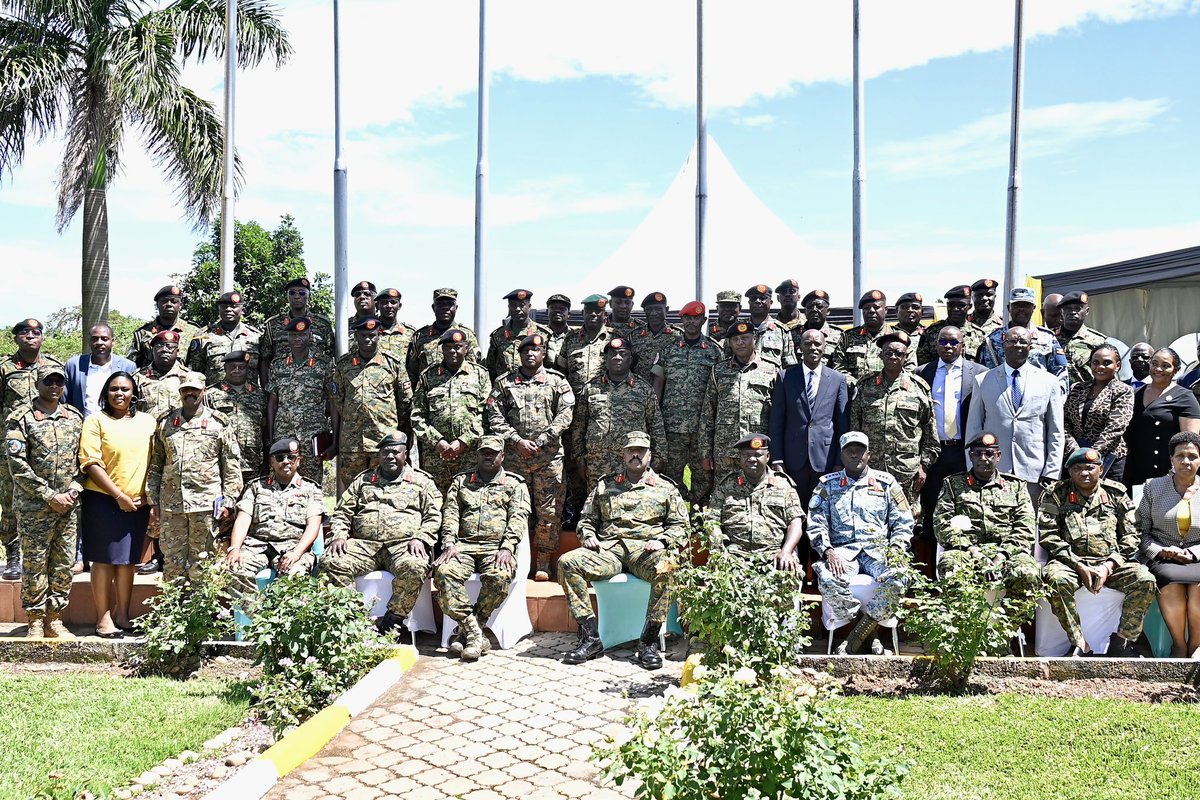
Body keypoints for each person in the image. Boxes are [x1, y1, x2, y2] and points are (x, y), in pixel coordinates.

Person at [558, 431, 687, 670]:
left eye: (640, 451)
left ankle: (648, 642)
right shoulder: (605, 485)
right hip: (610, 551)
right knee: (568, 562)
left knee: (667, 567)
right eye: (630, 450)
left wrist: (664, 541)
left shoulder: (665, 488)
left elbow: (681, 525)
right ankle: (590, 638)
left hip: (645, 552)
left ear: (650, 455)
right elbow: (586, 520)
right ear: (623, 454)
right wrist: (588, 536)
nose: (635, 454)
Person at [1039, 447, 1156, 657]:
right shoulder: (1056, 494)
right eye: (1077, 468)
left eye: (1089, 468)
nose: (1084, 473)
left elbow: (1132, 534)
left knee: (1145, 579)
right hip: (1070, 563)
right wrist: (1078, 565)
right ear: (1070, 472)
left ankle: (1121, 641)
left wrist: (1109, 565)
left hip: (1110, 562)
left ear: (1100, 469)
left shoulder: (1116, 493)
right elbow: (1049, 536)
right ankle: (1079, 643)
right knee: (1055, 579)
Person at [323, 432, 441, 636]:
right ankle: (355, 620)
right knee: (331, 560)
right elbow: (342, 512)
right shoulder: (364, 480)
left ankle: (392, 620)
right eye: (385, 452)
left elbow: (434, 515)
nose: (390, 456)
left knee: (415, 566)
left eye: (396, 452)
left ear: (405, 454)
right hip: (365, 546)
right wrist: (339, 535)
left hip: (404, 545)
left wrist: (421, 537)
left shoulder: (421, 482)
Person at [807, 431, 914, 655]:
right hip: (843, 553)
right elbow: (816, 523)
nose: (855, 454)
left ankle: (856, 636)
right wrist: (827, 551)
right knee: (827, 578)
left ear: (869, 454)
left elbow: (903, 522)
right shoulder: (827, 485)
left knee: (901, 576)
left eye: (860, 450)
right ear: (842, 455)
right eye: (849, 450)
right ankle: (868, 633)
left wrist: (896, 548)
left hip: (880, 552)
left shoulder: (886, 483)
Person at [433, 436, 530, 661]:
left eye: (493, 453)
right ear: (476, 456)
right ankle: (476, 634)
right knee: (443, 573)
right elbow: (450, 515)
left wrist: (507, 547)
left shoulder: (515, 484)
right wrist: (448, 544)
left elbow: (518, 518)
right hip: (462, 547)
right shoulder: (461, 482)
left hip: (495, 548)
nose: (488, 456)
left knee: (500, 575)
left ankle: (464, 632)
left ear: (502, 456)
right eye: (484, 452)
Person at [933, 432, 1042, 633]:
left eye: (989, 454)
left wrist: (1002, 555)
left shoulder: (1016, 487)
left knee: (1030, 574)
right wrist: (973, 551)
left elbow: (1025, 527)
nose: (984, 458)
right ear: (971, 457)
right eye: (978, 453)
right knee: (949, 566)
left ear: (998, 456)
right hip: (966, 552)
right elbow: (942, 523)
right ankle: (965, 632)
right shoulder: (953, 485)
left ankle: (1002, 635)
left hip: (1007, 554)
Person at [486, 333, 574, 581]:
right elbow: (494, 415)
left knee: (548, 513)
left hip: (548, 459)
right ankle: (513, 560)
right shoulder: (504, 383)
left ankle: (543, 564)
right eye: (525, 351)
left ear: (543, 354)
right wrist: (516, 440)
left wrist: (543, 438)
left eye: (535, 351)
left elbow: (566, 415)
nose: (530, 355)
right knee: (515, 511)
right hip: (515, 459)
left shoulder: (558, 382)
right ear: (520, 354)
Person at [5, 364, 83, 638]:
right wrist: (49, 496)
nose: (54, 387)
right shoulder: (21, 418)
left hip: (68, 507)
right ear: (37, 384)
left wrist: (72, 491)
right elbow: (17, 465)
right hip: (34, 507)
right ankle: (36, 620)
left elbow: (83, 461)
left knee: (63, 564)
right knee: (35, 564)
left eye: (58, 382)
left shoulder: (74, 417)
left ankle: (55, 619)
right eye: (48, 382)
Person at [78, 371, 156, 637]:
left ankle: (123, 614)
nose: (119, 394)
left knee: (127, 562)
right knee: (103, 560)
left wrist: (148, 496)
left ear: (134, 393)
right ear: (105, 393)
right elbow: (90, 463)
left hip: (137, 503)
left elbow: (156, 461)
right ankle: (103, 618)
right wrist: (118, 496)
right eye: (113, 389)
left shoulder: (148, 422)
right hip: (103, 500)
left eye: (125, 389)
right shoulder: (95, 421)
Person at [146, 372, 242, 582]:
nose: (190, 393)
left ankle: (202, 610)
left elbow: (231, 465)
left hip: (207, 505)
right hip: (172, 506)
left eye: (195, 390)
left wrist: (229, 500)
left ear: (203, 391)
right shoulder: (166, 423)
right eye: (185, 390)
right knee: (172, 562)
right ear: (180, 392)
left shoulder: (219, 423)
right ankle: (174, 610)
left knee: (204, 560)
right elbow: (156, 464)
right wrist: (153, 501)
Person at [966, 326, 1065, 502]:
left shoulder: (1049, 381)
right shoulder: (983, 380)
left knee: (1031, 526)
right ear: (1003, 345)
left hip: (1034, 472)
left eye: (1023, 341)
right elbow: (974, 429)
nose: (1017, 345)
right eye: (1012, 341)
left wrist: (1051, 471)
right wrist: (972, 468)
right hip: (992, 471)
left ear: (1030, 346)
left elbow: (1056, 432)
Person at [916, 325, 989, 552]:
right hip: (934, 451)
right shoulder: (922, 373)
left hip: (964, 450)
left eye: (954, 342)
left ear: (963, 346)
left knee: (966, 506)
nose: (948, 346)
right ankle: (930, 574)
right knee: (932, 507)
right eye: (943, 342)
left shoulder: (979, 372)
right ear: (936, 345)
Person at [2, 318, 64, 580]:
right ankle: (14, 555)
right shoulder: (4, 368)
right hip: (12, 444)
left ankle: (51, 553)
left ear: (42, 338)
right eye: (24, 332)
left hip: (47, 445)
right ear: (16, 338)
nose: (30, 336)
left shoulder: (54, 367)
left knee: (49, 495)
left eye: (36, 332)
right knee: (10, 500)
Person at [849, 330, 938, 510]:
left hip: (906, 471)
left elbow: (930, 435)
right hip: (872, 470)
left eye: (899, 354)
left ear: (906, 357)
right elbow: (855, 431)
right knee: (871, 519)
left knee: (906, 522)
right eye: (888, 352)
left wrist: (924, 467)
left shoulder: (919, 389)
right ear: (880, 355)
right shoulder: (865, 385)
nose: (893, 357)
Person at [226, 437, 324, 594]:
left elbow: (313, 526)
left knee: (294, 577)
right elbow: (243, 519)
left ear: (298, 461)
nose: (286, 461)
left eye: (291, 457)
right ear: (272, 462)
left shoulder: (311, 489)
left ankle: (284, 618)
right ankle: (255, 615)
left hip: (292, 547)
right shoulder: (256, 487)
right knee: (235, 569)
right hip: (256, 546)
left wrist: (297, 553)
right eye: (280, 458)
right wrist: (235, 548)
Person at [571, 336, 666, 489]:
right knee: (597, 507)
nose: (617, 357)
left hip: (633, 463)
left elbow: (656, 425)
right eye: (612, 354)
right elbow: (579, 426)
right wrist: (579, 459)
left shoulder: (643, 389)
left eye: (623, 354)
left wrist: (658, 458)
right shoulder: (590, 388)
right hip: (597, 464)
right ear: (606, 359)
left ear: (630, 359)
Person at [769, 328, 850, 506]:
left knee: (823, 507)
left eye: (817, 343)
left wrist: (839, 461)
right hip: (793, 459)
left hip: (826, 460)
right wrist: (777, 459)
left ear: (824, 347)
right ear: (800, 347)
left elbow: (842, 425)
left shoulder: (838, 379)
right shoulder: (785, 377)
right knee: (795, 508)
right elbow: (776, 422)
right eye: (807, 344)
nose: (813, 347)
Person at [654, 301, 724, 505]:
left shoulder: (714, 351)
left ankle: (699, 522)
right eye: (688, 318)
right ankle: (676, 518)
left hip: (702, 428)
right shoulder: (668, 349)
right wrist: (655, 414)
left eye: (696, 318)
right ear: (682, 320)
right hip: (672, 426)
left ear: (703, 321)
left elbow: (719, 387)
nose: (692, 322)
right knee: (670, 476)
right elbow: (658, 381)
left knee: (703, 477)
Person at [1137, 431, 1200, 658]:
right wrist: (1160, 550)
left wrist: (1193, 553)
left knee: (1199, 586)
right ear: (1171, 460)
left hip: (1198, 557)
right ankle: (1179, 645)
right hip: (1163, 556)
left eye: (1192, 456)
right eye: (1180, 456)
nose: (1186, 461)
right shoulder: (1153, 487)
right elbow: (1140, 532)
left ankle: (1195, 645)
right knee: (1171, 581)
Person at [333, 317, 413, 492]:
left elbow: (405, 402)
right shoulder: (343, 365)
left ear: (379, 335)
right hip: (353, 443)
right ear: (356, 336)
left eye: (372, 335)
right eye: (363, 335)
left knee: (386, 490)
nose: (368, 339)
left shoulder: (393, 364)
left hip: (384, 441)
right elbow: (338, 400)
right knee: (352, 491)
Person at [411, 328, 493, 494]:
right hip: (436, 456)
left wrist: (463, 442)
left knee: (468, 500)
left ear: (466, 348)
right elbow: (417, 416)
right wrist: (437, 442)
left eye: (457, 347)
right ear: (442, 350)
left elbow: (486, 414)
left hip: (469, 454)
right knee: (435, 502)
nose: (453, 351)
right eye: (448, 347)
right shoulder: (428, 376)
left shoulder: (480, 375)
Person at [708, 434, 805, 570]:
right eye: (746, 455)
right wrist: (720, 549)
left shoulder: (783, 485)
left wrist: (786, 551)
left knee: (784, 582)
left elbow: (795, 523)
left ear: (768, 457)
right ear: (740, 458)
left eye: (758, 455)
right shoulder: (727, 485)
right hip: (734, 555)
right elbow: (712, 521)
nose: (752, 459)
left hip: (774, 555)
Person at [701, 322, 776, 482]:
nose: (740, 342)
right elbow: (708, 414)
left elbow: (778, 416)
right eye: (735, 339)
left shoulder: (771, 370)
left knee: (758, 493)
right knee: (725, 496)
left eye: (745, 338)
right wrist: (706, 453)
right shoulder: (719, 371)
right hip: (726, 451)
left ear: (754, 339)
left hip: (757, 450)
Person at [266, 317, 336, 487]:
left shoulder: (324, 364)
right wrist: (269, 437)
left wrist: (335, 441)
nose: (297, 339)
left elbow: (333, 403)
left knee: (312, 483)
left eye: (302, 335)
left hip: (312, 436)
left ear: (309, 335)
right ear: (288, 338)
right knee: (282, 482)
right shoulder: (277, 365)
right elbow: (272, 404)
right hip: (284, 434)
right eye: (293, 335)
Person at [1124, 347, 1200, 490]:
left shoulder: (1185, 397)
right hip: (1136, 470)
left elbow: (1190, 442)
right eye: (1154, 363)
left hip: (1168, 473)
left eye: (1165, 365)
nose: (1158, 369)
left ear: (1176, 369)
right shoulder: (1135, 393)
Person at [1063, 344, 1134, 482]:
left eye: (1107, 363)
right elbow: (1064, 422)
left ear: (1117, 365)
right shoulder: (1077, 388)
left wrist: (1090, 455)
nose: (1100, 367)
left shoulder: (1123, 390)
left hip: (1109, 460)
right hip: (1075, 458)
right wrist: (1075, 451)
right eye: (1095, 362)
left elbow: (1116, 427)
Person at [258, 277, 335, 386]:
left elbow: (330, 358)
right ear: (287, 296)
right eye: (292, 293)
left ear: (309, 296)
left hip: (315, 389)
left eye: (302, 293)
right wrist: (266, 391)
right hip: (283, 389)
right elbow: (265, 361)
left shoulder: (322, 324)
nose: (297, 296)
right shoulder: (274, 324)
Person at [977, 287, 1068, 380]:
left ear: (1033, 308)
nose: (1021, 309)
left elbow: (1060, 373)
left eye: (1026, 305)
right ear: (1009, 308)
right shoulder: (993, 339)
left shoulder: (1047, 337)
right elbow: (985, 373)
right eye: (1017, 305)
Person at [207, 351, 267, 489]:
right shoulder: (210, 395)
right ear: (225, 369)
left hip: (252, 463)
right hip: (221, 462)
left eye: (241, 367)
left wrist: (266, 460)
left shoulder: (260, 395)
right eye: (232, 367)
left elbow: (266, 428)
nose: (237, 370)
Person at [186, 291, 262, 386]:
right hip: (215, 397)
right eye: (224, 307)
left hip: (249, 398)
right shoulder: (204, 336)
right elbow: (195, 372)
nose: (228, 309)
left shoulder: (256, 337)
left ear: (242, 310)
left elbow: (263, 369)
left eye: (233, 306)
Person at [831, 290, 905, 386]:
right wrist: (857, 385)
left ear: (886, 310)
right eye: (866, 308)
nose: (871, 311)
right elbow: (838, 366)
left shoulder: (899, 337)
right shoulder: (848, 337)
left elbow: (909, 368)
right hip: (856, 395)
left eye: (876, 307)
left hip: (890, 395)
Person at [408, 288, 481, 382]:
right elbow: (412, 373)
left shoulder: (467, 335)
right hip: (427, 393)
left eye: (450, 304)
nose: (445, 308)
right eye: (441, 304)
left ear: (456, 307)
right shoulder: (419, 337)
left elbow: (475, 370)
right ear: (433, 308)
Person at [65, 324, 136, 417]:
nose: (99, 342)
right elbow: (66, 399)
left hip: (115, 423)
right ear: (89, 341)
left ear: (113, 341)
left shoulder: (127, 366)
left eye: (104, 339)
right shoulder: (74, 365)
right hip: (82, 424)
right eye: (95, 339)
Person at [127, 285, 200, 369]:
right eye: (164, 301)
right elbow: (132, 364)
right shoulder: (142, 333)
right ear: (157, 305)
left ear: (180, 305)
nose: (169, 304)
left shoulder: (194, 332)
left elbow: (198, 364)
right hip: (151, 380)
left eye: (174, 301)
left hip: (184, 380)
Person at [484, 289, 549, 381]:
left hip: (537, 389)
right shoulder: (498, 335)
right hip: (506, 389)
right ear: (509, 307)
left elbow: (551, 366)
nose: (518, 309)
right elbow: (491, 369)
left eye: (522, 305)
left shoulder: (544, 334)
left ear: (529, 306)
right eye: (513, 305)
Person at [727, 284, 795, 370]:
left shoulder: (782, 331)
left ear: (771, 302)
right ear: (749, 303)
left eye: (763, 298)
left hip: (772, 381)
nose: (757, 301)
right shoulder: (736, 329)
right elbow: (727, 360)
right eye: (753, 299)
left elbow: (789, 365)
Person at [915, 285, 986, 366]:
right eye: (951, 305)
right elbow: (923, 365)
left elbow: (981, 367)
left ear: (969, 307)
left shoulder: (979, 335)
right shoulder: (931, 332)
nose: (955, 309)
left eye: (961, 305)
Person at [1055, 291, 1108, 388]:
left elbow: (1107, 374)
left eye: (1078, 308)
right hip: (1056, 397)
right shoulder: (1050, 338)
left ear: (1087, 311)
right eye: (1068, 309)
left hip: (1086, 397)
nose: (1073, 312)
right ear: (1062, 312)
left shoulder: (1098, 341)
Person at [135, 330, 190, 421]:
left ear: (178, 351)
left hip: (177, 432)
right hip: (146, 430)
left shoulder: (188, 377)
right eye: (160, 346)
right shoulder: (138, 377)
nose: (164, 349)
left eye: (170, 346)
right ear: (152, 350)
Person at [630, 291, 678, 386]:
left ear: (666, 310)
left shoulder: (677, 335)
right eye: (649, 309)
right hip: (640, 391)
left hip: (669, 392)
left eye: (658, 309)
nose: (653, 313)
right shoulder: (634, 335)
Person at [796, 289, 841, 364]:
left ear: (828, 311)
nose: (814, 310)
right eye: (810, 307)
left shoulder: (839, 335)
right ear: (805, 312)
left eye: (819, 307)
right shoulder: (794, 334)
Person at [372, 287, 416, 363]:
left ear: (399, 306)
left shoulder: (410, 333)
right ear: (377, 306)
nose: (389, 306)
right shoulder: (370, 331)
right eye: (384, 302)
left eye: (393, 302)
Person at [543, 293, 574, 368]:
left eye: (562, 308)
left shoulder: (575, 336)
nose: (557, 311)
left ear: (568, 314)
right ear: (547, 312)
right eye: (553, 307)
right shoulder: (539, 334)